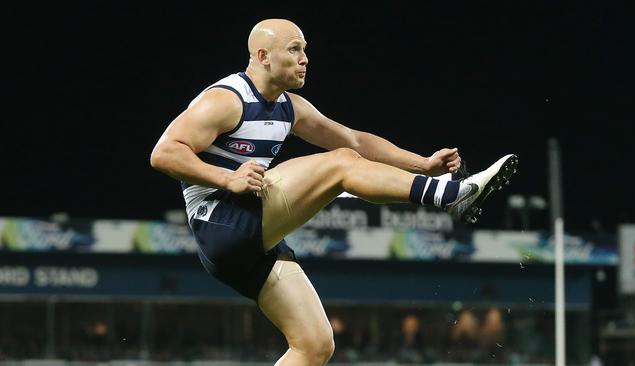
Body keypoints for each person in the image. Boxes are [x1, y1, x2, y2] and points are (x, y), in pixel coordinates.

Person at [150, 18, 517, 366]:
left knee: (314, 344)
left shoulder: (289, 108)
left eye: (305, 49)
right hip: (221, 221)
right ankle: (450, 196)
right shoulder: (226, 99)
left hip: (248, 242)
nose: (305, 59)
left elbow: (355, 139)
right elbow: (164, 152)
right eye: (294, 49)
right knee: (340, 163)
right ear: (263, 56)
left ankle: (438, 188)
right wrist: (226, 178)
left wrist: (420, 163)